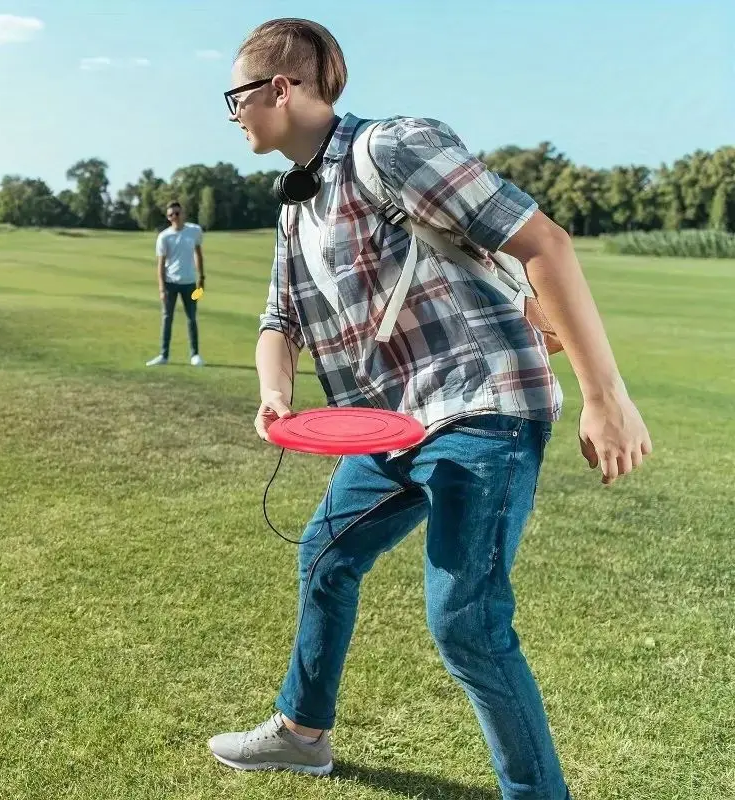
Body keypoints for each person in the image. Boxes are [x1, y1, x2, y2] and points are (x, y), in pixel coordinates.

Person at [208, 18, 652, 800]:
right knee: (326, 553)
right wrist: (275, 391)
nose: (234, 112)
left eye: (237, 96)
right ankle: (303, 736)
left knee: (467, 623)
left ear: (282, 88)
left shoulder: (392, 148)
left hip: (481, 403)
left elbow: (545, 241)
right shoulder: (295, 205)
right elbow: (279, 323)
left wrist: (605, 397)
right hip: (392, 425)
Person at [146, 201, 205, 367]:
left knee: (192, 317)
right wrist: (161, 288)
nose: (175, 217)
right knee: (167, 318)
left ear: (183, 214)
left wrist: (202, 278)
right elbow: (160, 263)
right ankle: (163, 355)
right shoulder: (164, 236)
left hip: (190, 283)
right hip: (170, 283)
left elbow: (198, 254)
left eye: (177, 213)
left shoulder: (194, 231)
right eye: (171, 215)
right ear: (168, 217)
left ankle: (195, 355)